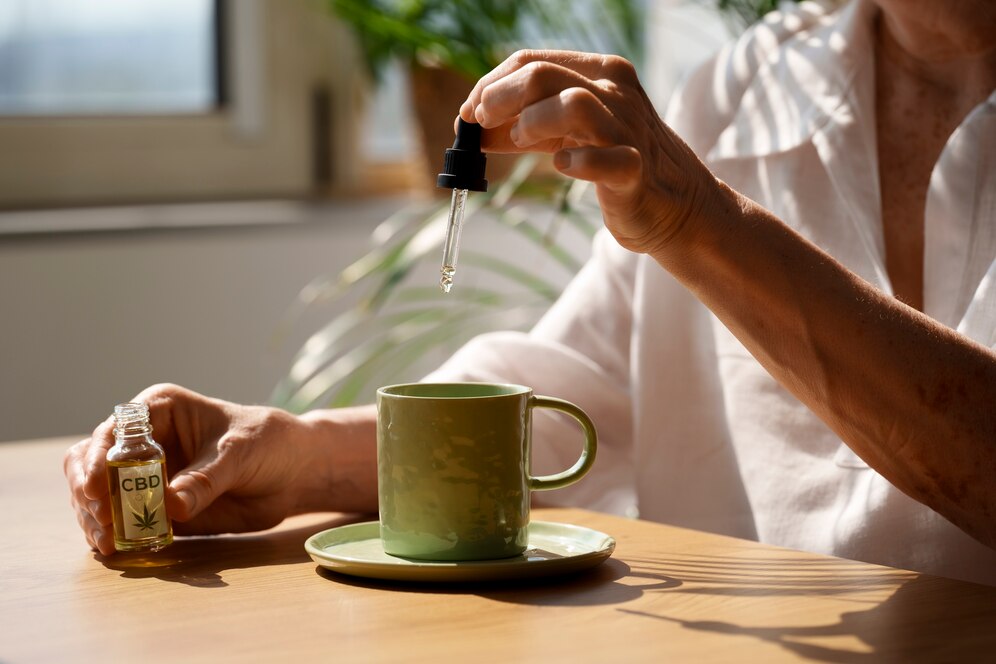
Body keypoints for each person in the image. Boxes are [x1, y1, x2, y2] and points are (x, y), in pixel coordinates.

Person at [64, 0, 996, 585]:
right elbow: (568, 395)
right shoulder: (751, 85)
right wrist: (290, 454)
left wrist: (701, 223)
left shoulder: (707, 153)